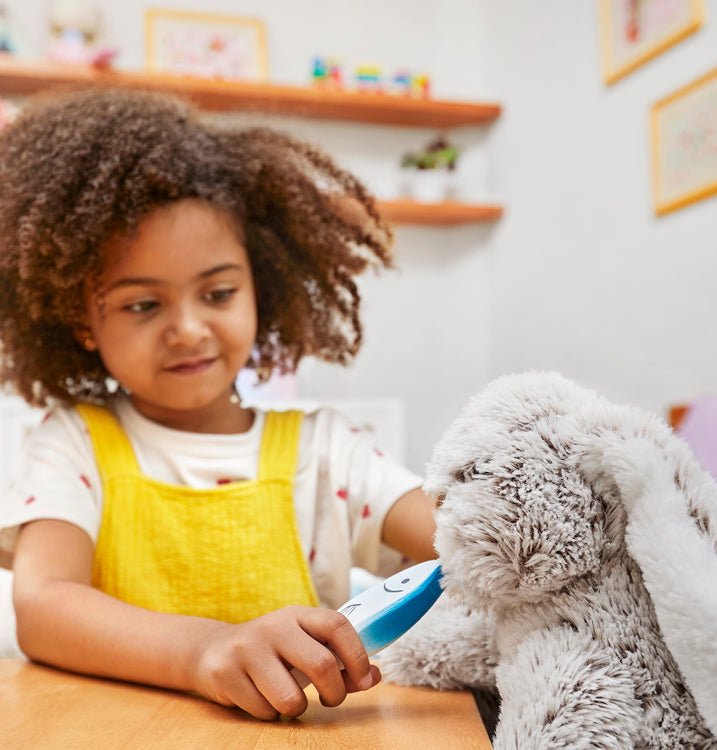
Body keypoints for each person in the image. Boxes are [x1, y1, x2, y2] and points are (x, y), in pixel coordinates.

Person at [0, 88, 437, 721]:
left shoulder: (328, 451)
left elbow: (462, 540)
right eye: (143, 304)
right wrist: (206, 650)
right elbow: (43, 606)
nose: (188, 329)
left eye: (218, 292)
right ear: (80, 321)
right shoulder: (74, 442)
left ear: (261, 286)